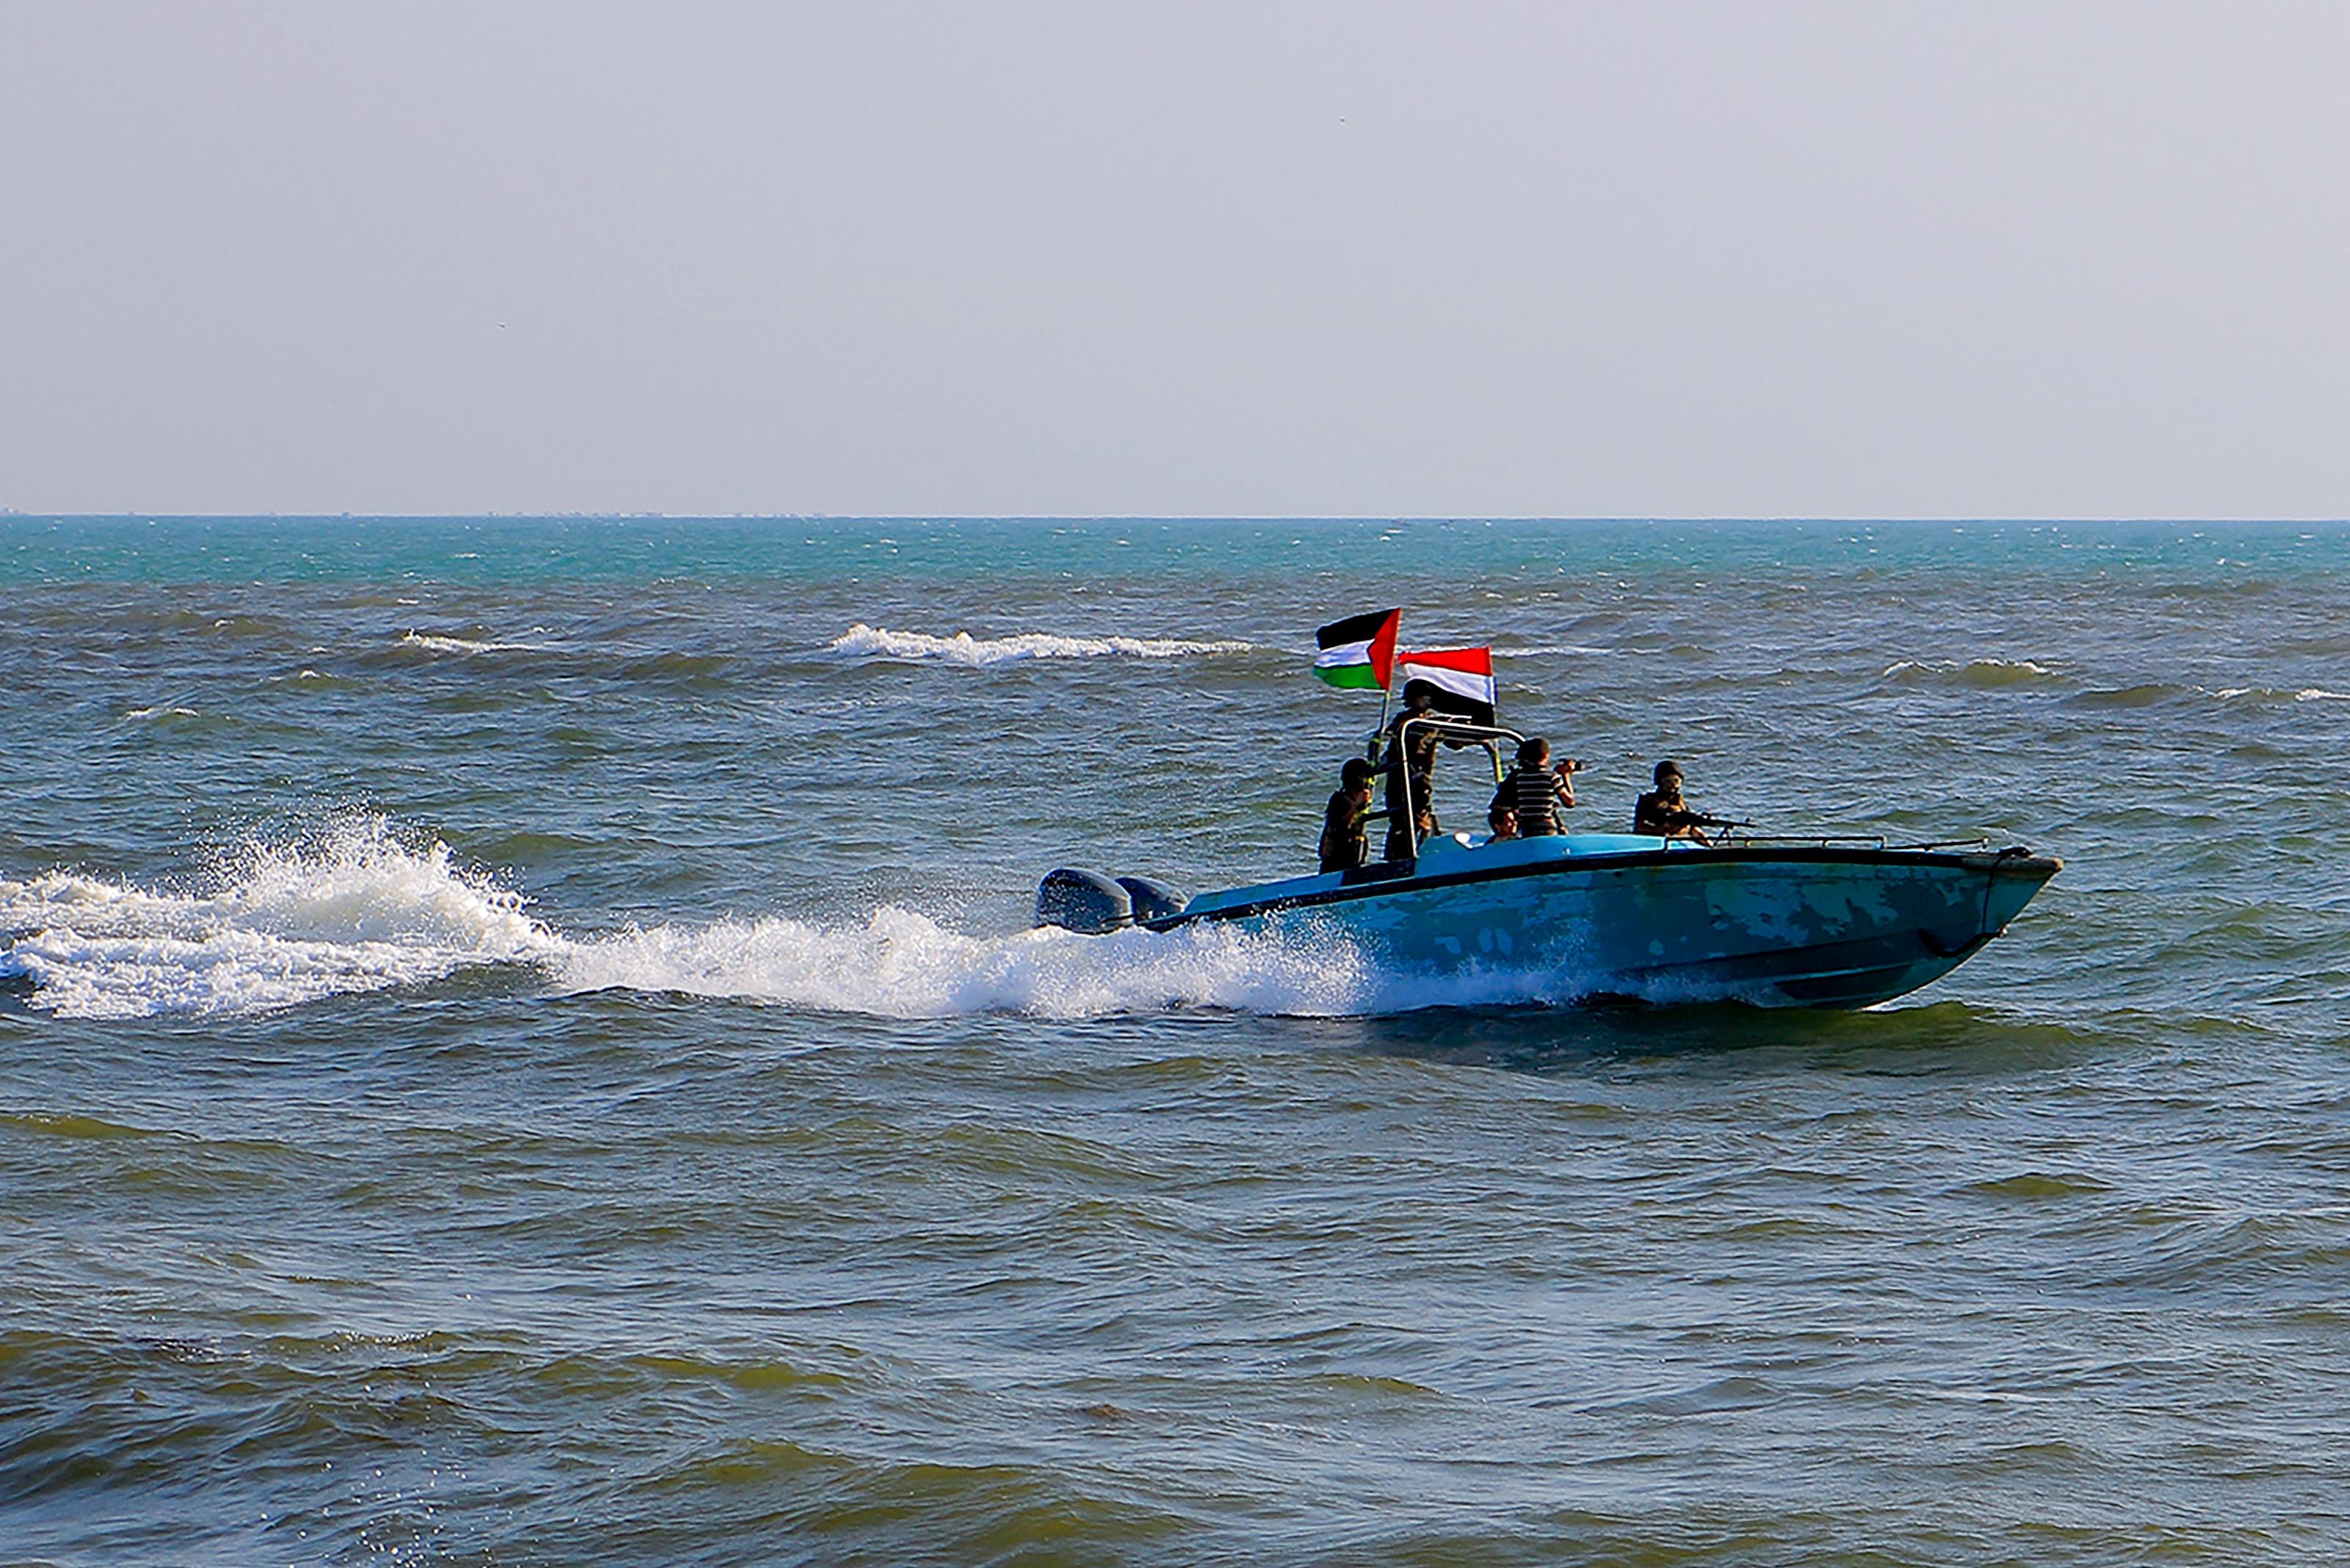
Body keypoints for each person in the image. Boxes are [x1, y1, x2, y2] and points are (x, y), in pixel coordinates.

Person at [1489, 737, 1579, 837]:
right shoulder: (1552, 776)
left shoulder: (1519, 777)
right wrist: (1565, 775)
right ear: (1546, 756)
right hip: (1547, 826)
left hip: (1528, 827)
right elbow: (1570, 803)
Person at [1634, 759, 1713, 845]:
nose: (1673, 785)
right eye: (1668, 781)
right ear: (1660, 782)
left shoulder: (1681, 805)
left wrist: (1708, 843)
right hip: (1653, 844)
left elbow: (1693, 829)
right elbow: (1639, 827)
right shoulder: (1648, 801)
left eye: (1676, 781)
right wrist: (1663, 829)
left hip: (1676, 844)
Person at [1318, 757, 1375, 872]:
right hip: (1336, 861)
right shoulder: (1340, 799)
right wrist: (1356, 806)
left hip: (1353, 858)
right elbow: (1342, 826)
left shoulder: (1356, 800)